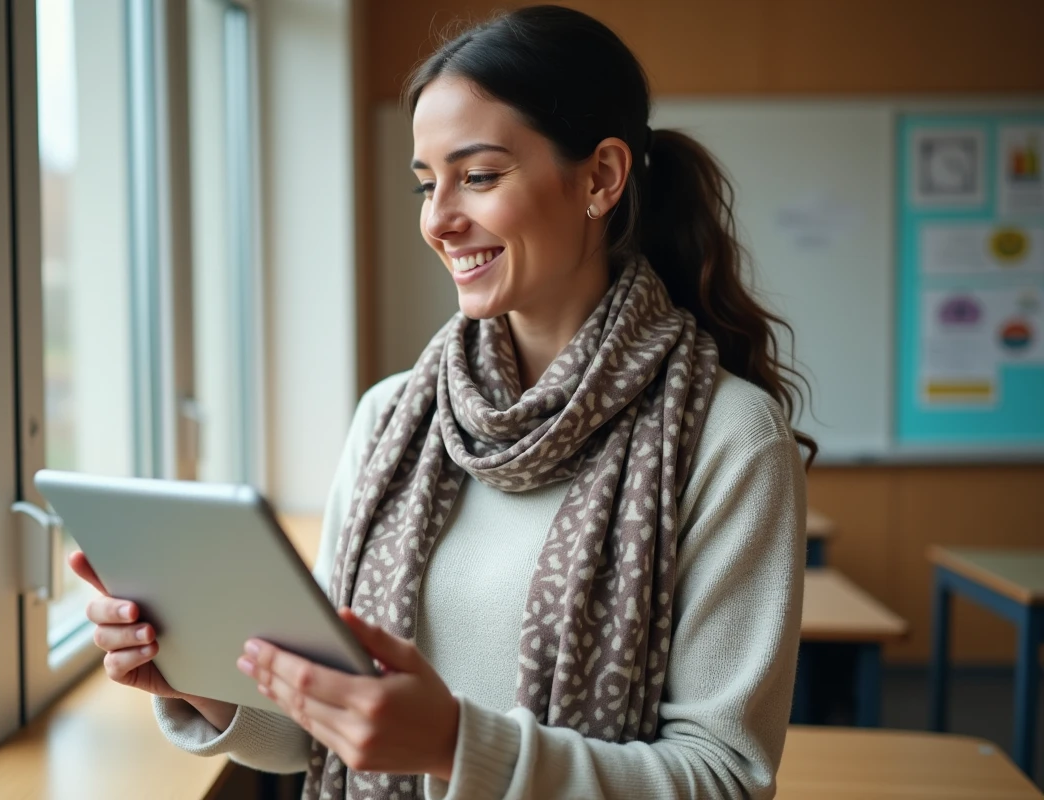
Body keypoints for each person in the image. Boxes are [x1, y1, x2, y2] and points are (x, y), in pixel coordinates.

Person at [71, 5, 814, 798]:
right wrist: (194, 675)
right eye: (428, 183)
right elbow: (319, 729)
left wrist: (460, 746)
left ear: (601, 176)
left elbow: (726, 781)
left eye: (480, 176)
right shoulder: (391, 418)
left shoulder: (730, 438)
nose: (439, 219)